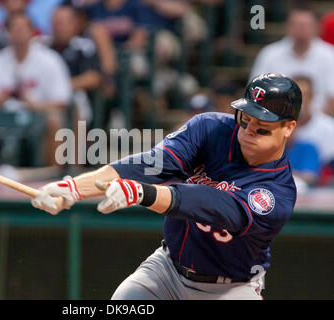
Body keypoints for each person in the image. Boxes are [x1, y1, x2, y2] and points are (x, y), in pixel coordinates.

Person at [31, 73, 301, 300]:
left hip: (233, 287)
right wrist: (74, 188)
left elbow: (209, 204)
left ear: (288, 128)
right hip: (168, 270)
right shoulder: (210, 129)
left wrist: (141, 193)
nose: (248, 131)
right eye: (244, 119)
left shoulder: (278, 193)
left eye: (262, 127)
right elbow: (152, 164)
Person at [0, 12, 72, 166]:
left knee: (54, 119)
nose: (18, 32)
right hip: (1, 116)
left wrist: (34, 104)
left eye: (22, 28)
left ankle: (52, 175)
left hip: (37, 115)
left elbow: (62, 101)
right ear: (6, 32)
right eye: (14, 28)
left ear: (32, 32)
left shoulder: (50, 60)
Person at [250, 7, 334, 115]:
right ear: (287, 27)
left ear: (316, 27)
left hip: (318, 122)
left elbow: (332, 99)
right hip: (273, 119)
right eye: (296, 25)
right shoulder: (269, 54)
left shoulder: (330, 55)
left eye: (306, 25)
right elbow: (256, 92)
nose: (301, 29)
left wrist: (314, 125)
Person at [43, 4, 101, 122]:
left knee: (77, 100)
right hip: (43, 97)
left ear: (74, 24)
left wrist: (60, 89)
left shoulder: (84, 46)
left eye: (63, 23)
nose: (59, 27)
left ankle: (77, 140)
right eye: (56, 23)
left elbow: (93, 78)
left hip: (73, 97)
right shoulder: (42, 46)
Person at [292, 75, 334, 168]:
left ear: (312, 97)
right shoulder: (276, 127)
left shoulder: (329, 128)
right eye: (295, 95)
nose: (300, 99)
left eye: (304, 95)